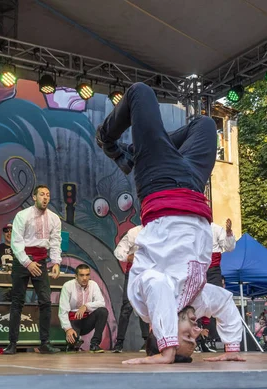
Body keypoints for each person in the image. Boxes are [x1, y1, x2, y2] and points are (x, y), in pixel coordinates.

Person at [96, 82, 244, 364]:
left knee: (141, 93)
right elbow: (224, 302)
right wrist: (232, 348)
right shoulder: (197, 301)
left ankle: (108, 140)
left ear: (156, 330)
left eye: (187, 336)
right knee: (203, 124)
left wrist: (167, 351)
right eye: (196, 339)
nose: (197, 331)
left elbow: (159, 286)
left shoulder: (144, 300)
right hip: (193, 185)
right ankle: (135, 153)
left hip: (159, 182)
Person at [4, 185, 62, 355]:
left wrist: (56, 262)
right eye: (42, 194)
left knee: (45, 301)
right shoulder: (22, 216)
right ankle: (12, 343)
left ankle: (45, 343)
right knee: (17, 301)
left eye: (48, 195)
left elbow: (56, 241)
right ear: (34, 197)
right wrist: (27, 262)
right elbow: (16, 242)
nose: (45, 197)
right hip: (23, 260)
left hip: (41, 260)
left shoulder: (54, 218)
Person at [199, 218, 236, 351]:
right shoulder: (191, 226)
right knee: (194, 300)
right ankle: (199, 339)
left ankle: (214, 338)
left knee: (216, 299)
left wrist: (229, 232)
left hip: (213, 268)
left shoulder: (216, 228)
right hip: (197, 266)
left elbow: (229, 247)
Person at [112, 224, 150, 353]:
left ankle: (148, 342)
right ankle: (119, 343)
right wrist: (129, 257)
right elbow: (119, 251)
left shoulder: (159, 230)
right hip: (134, 273)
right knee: (127, 306)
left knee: (146, 306)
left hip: (151, 274)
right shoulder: (134, 232)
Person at [58, 264, 108, 353]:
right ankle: (73, 344)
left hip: (86, 321)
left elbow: (101, 303)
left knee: (103, 311)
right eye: (81, 275)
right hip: (73, 321)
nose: (85, 278)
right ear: (76, 276)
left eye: (87, 275)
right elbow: (63, 311)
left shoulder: (93, 285)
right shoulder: (68, 286)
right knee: (72, 345)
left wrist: (86, 306)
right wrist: (68, 329)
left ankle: (94, 344)